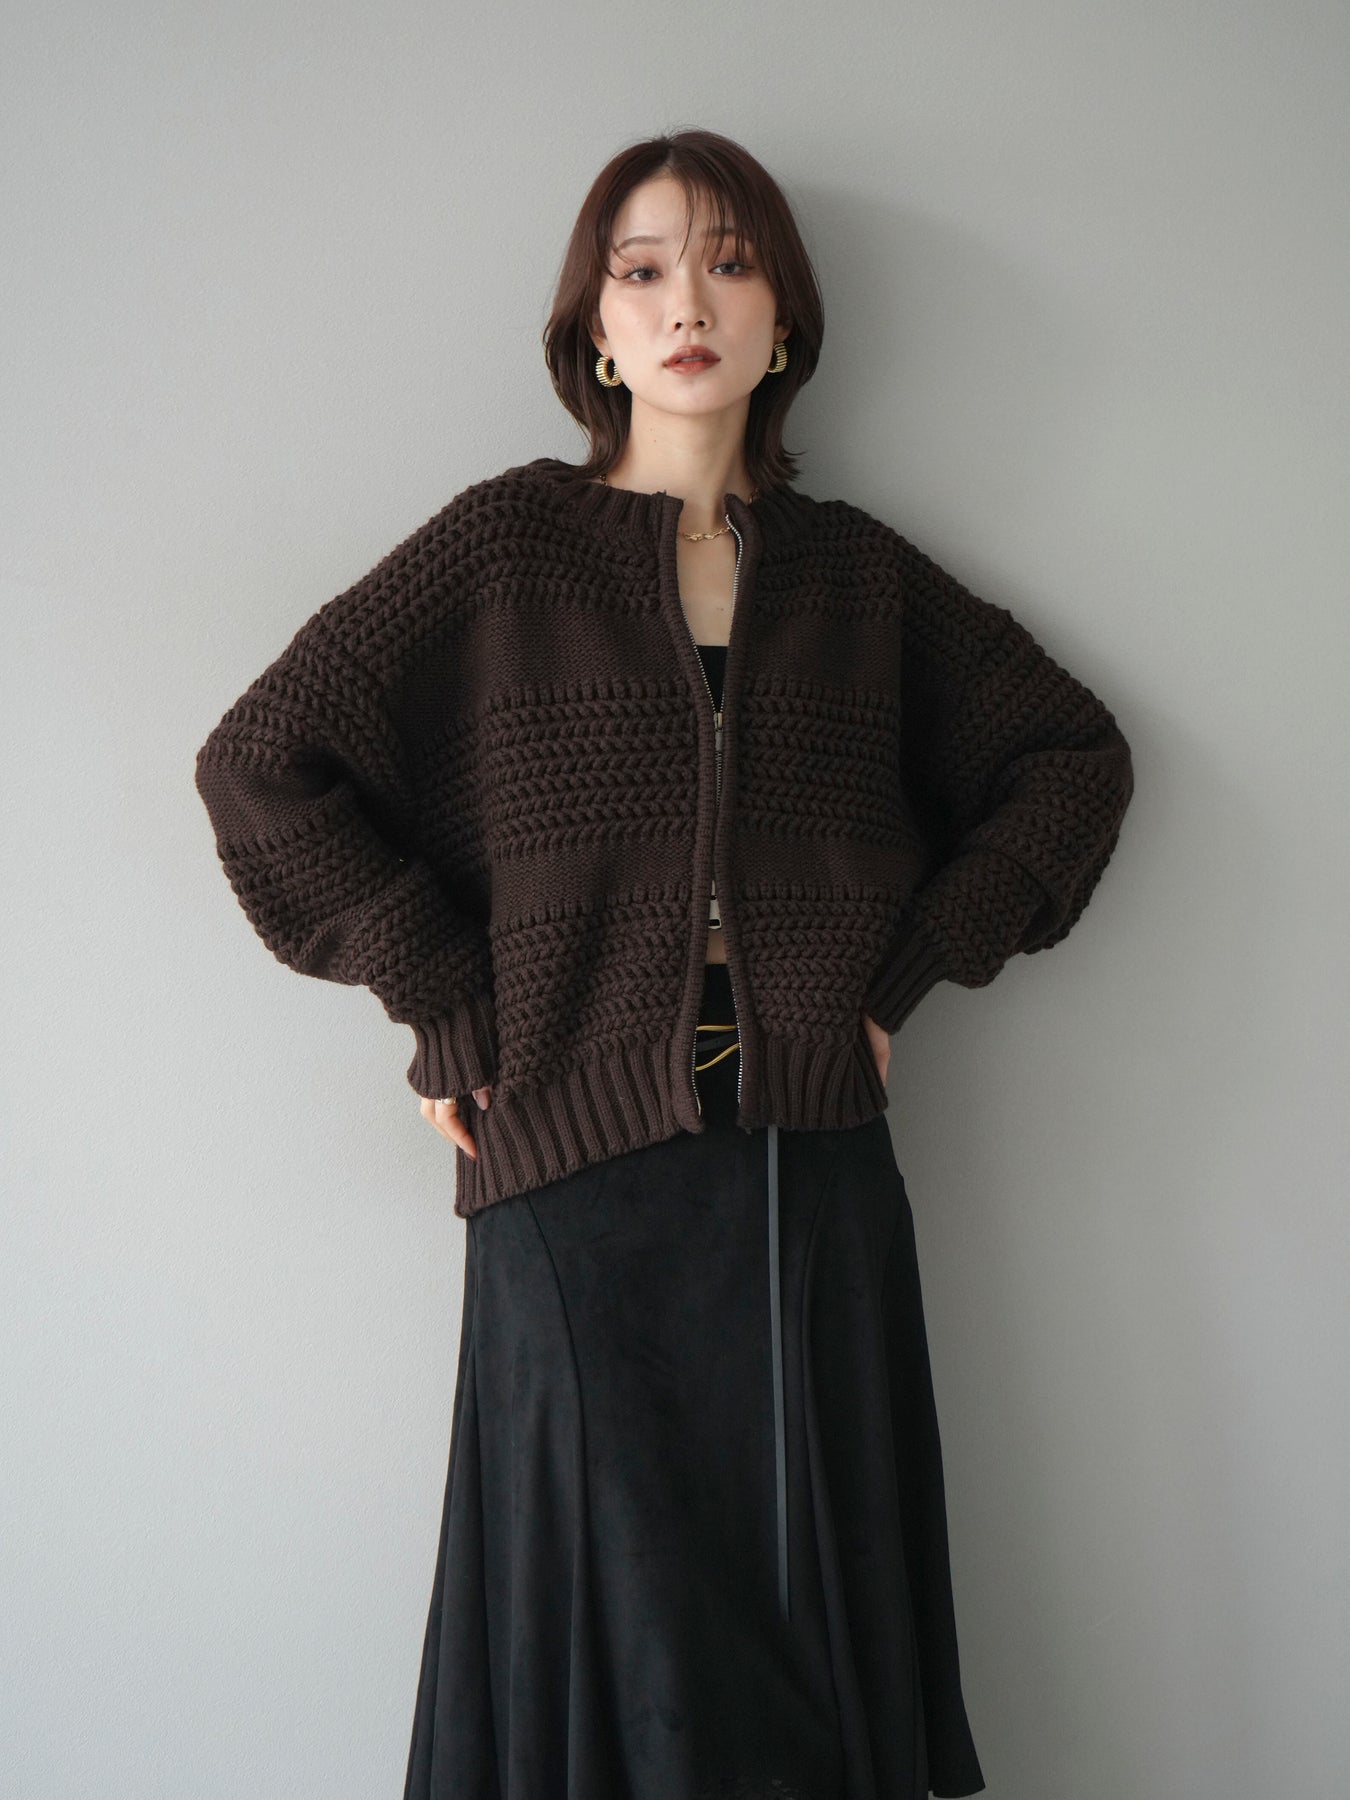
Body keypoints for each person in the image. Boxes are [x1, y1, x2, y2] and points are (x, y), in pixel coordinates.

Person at [193, 128, 1133, 1800]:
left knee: (799, 1628)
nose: (685, 301)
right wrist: (443, 1001)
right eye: (640, 271)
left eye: (727, 261)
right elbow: (261, 763)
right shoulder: (503, 551)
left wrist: (902, 975)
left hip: (806, 1172)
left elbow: (1069, 759)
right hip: (572, 1174)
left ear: (784, 322)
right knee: (613, 1646)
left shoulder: (856, 579)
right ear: (596, 333)